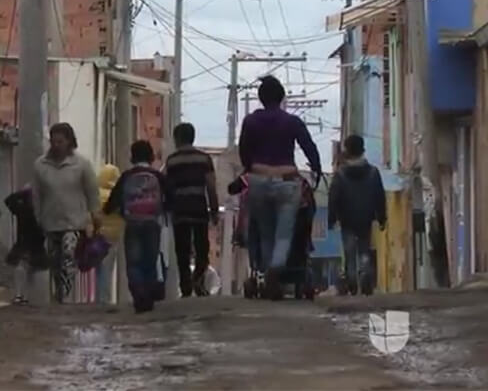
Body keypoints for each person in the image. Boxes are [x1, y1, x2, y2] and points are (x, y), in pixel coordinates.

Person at [238, 75, 322, 300]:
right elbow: (309, 147)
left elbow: (244, 150)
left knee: (266, 232)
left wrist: (250, 168)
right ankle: (276, 268)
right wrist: (317, 169)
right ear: (282, 96)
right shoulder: (291, 122)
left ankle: (267, 274)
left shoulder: (250, 122)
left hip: (258, 179)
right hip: (286, 180)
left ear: (260, 98)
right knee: (285, 233)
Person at [33, 123, 101, 304]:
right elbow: (37, 194)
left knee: (69, 257)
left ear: (69, 142)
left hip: (74, 223)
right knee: (55, 262)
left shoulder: (81, 165)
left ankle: (66, 296)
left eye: (60, 141)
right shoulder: (41, 165)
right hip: (50, 222)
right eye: (53, 141)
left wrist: (95, 217)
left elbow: (92, 193)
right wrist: (38, 217)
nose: (56, 145)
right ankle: (59, 293)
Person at [103, 140, 171, 313]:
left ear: (132, 156)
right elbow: (170, 199)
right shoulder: (158, 176)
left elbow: (112, 203)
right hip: (152, 224)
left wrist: (111, 211)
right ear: (151, 156)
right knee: (149, 260)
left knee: (134, 262)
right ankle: (148, 296)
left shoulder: (126, 176)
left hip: (132, 223)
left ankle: (138, 293)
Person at [164, 123, 219, 298]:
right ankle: (199, 279)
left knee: (183, 250)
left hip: (180, 210)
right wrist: (214, 209)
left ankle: (186, 286)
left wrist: (168, 208)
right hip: (199, 208)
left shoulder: (172, 161)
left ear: (177, 139)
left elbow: (167, 187)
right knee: (202, 248)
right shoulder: (204, 159)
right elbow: (211, 185)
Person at [327, 134, 386, 296]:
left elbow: (333, 197)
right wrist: (382, 217)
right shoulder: (373, 172)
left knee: (349, 251)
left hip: (346, 219)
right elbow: (379, 196)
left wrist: (331, 218)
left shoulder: (340, 174)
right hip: (366, 217)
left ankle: (352, 279)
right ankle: (365, 270)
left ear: (346, 151)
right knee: (364, 248)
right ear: (363, 150)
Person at [4, 186, 48, 305]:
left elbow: (9, 200)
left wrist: (24, 192)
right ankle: (22, 296)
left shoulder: (25, 208)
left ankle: (23, 296)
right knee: (26, 269)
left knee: (27, 270)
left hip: (32, 242)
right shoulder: (27, 209)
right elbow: (9, 200)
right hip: (31, 242)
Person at [96, 164, 125, 304]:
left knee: (96, 267)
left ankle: (98, 298)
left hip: (97, 235)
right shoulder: (117, 196)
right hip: (113, 236)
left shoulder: (95, 194)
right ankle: (103, 299)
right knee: (107, 269)